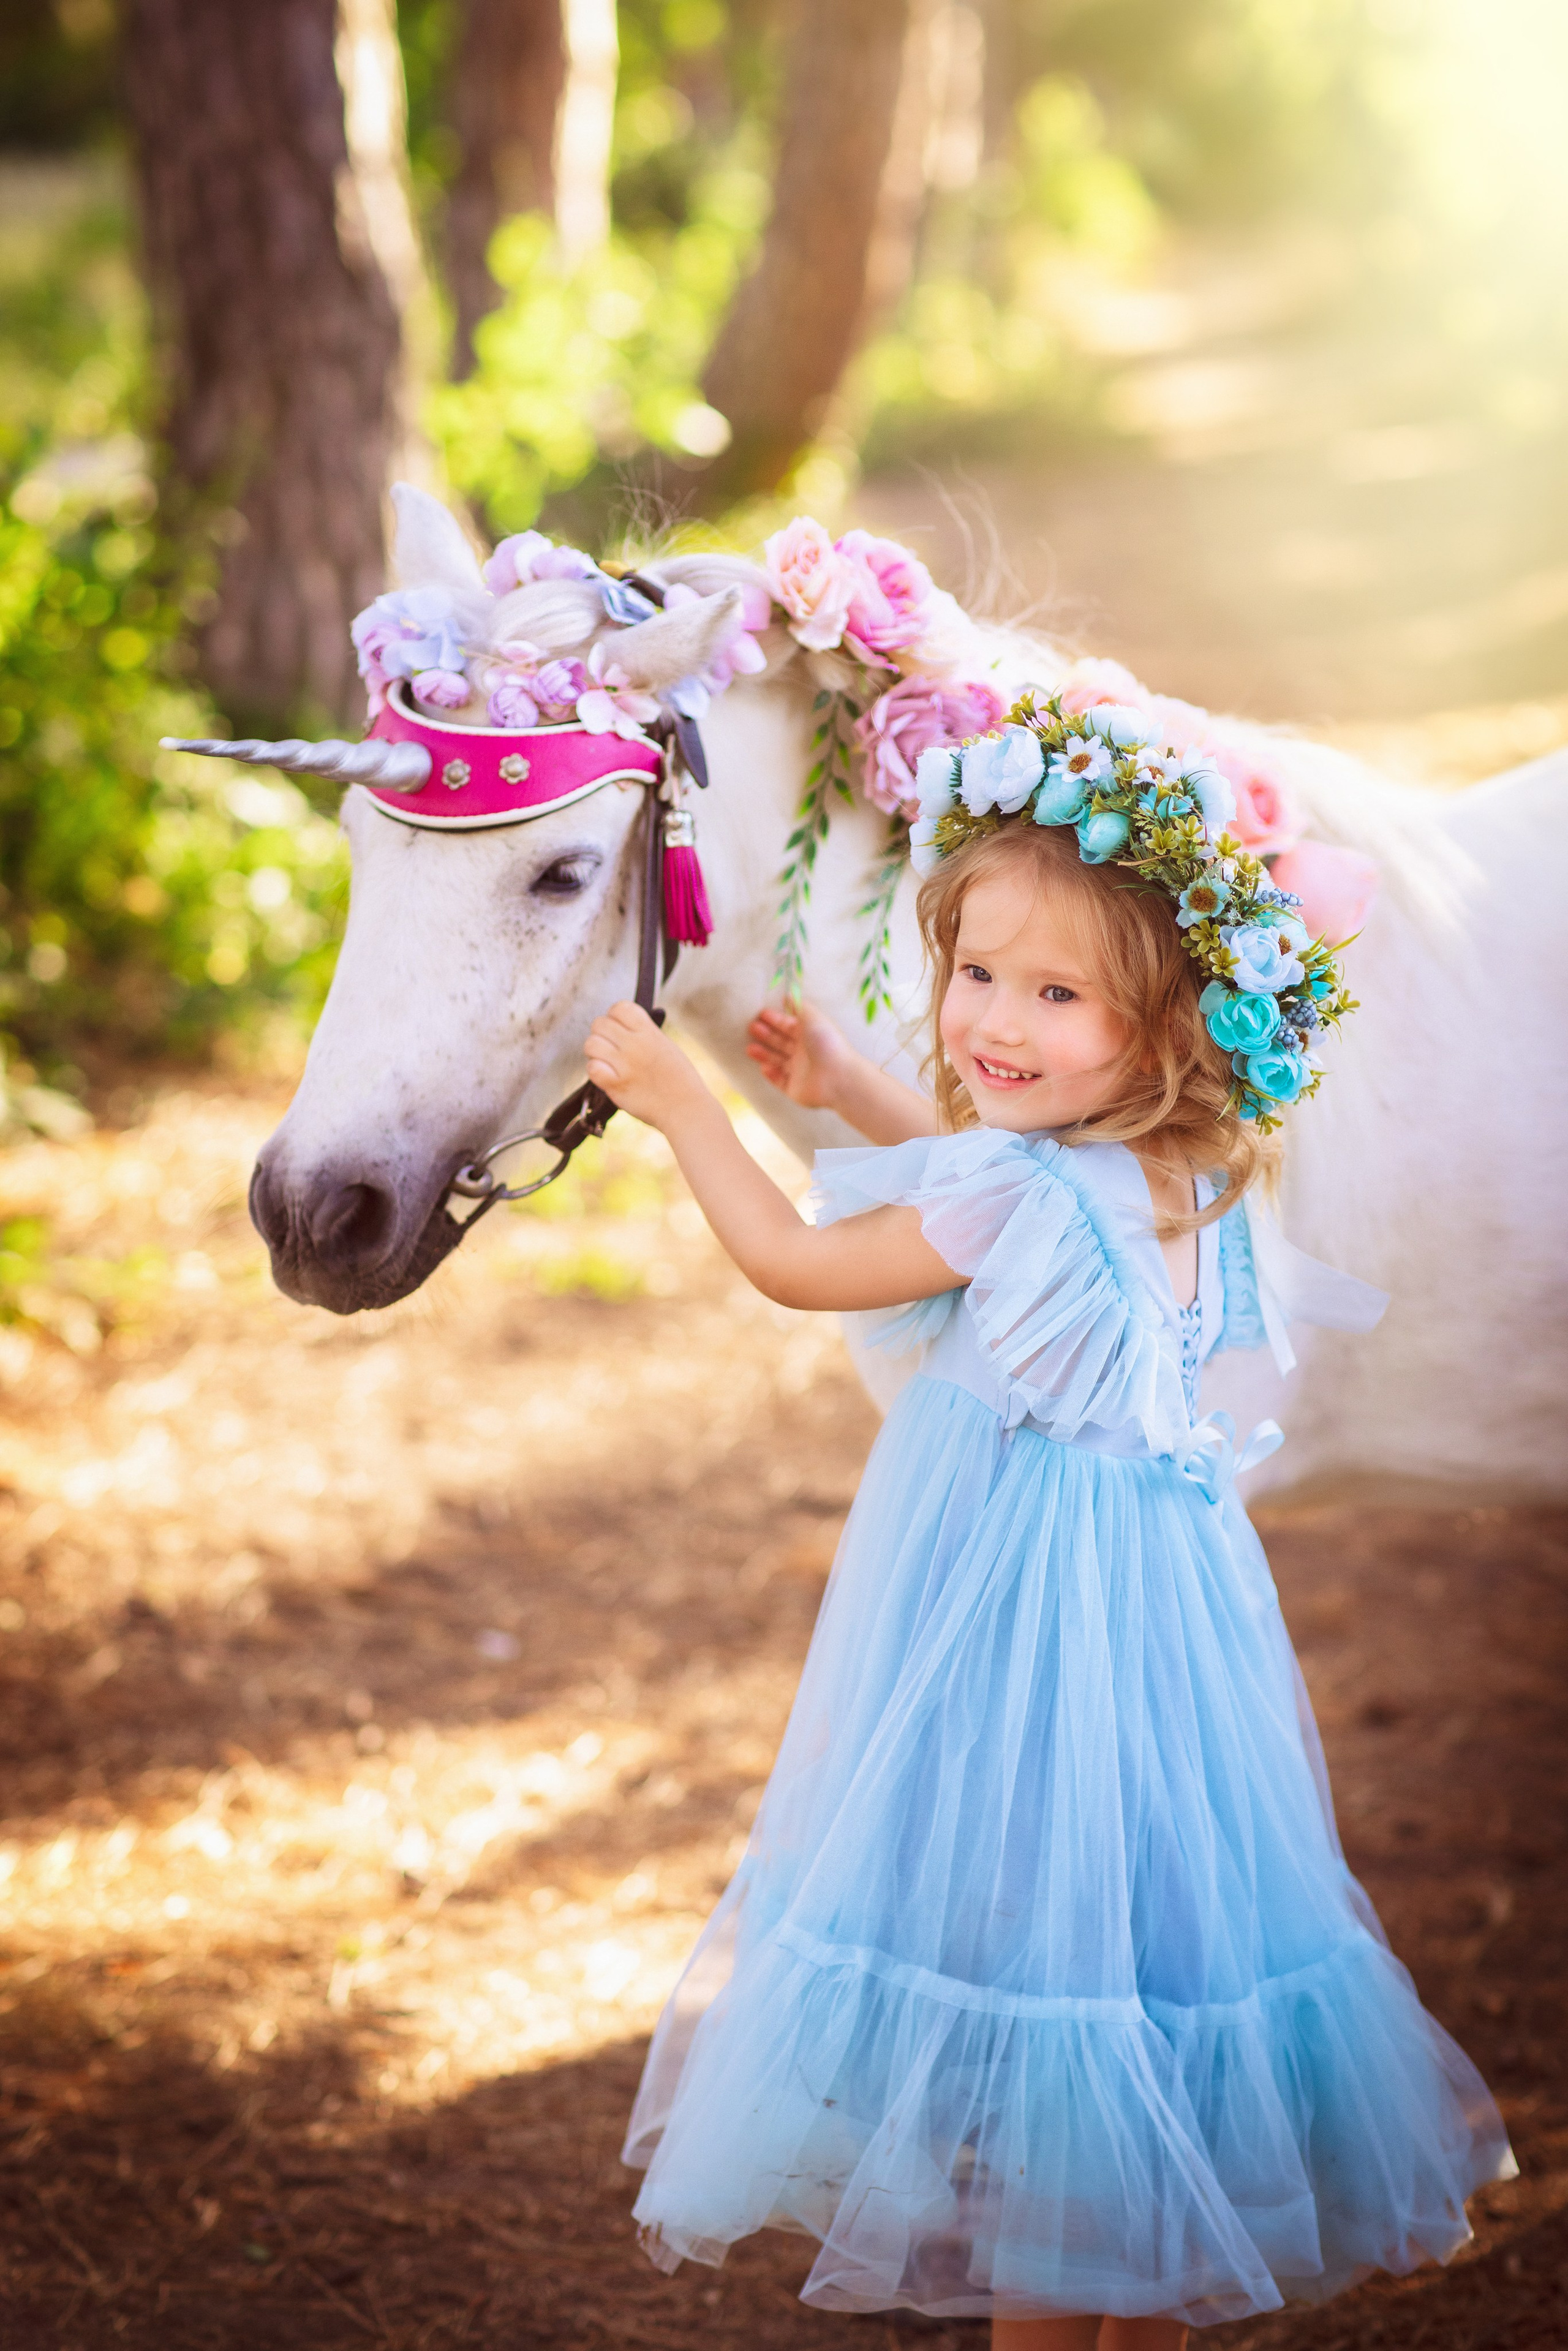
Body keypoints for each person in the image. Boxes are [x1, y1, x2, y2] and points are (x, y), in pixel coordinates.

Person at [583, 715, 1512, 2349]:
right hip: (1158, 1637)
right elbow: (983, 1169)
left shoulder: (1015, 1197)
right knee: (1129, 2004)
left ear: (1159, 1020)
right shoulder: (1180, 1162)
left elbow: (807, 1266)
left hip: (1014, 1631)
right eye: (978, 975)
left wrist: (686, 1107)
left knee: (1037, 2009)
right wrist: (859, 1081)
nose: (997, 1022)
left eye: (1056, 995)